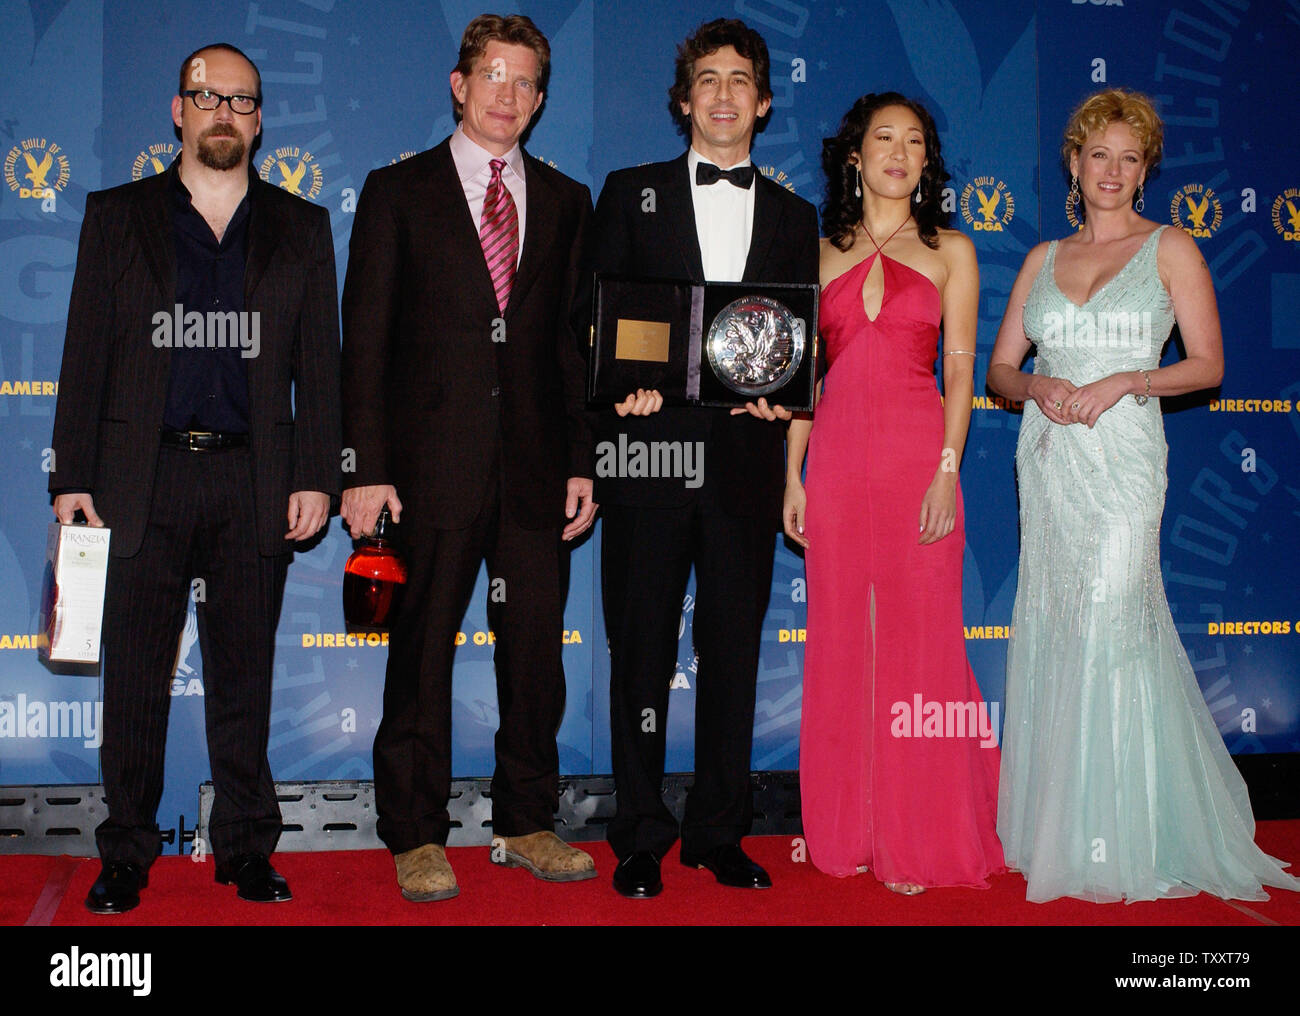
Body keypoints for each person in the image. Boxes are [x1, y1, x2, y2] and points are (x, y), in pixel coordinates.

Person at [50, 43, 341, 914]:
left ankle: (248, 848)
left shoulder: (303, 227)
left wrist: (319, 474)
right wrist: (71, 473)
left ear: (259, 120)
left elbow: (319, 371)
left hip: (255, 479)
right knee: (133, 680)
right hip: (140, 480)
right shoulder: (116, 216)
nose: (224, 112)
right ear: (178, 110)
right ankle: (126, 854)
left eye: (242, 101)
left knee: (245, 678)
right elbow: (83, 352)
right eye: (207, 96)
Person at [988, 88, 1298, 902]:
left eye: (1130, 158)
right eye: (1099, 155)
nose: (1113, 172)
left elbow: (1208, 365)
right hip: (1050, 460)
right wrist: (1038, 382)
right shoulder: (1039, 259)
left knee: (1113, 624)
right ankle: (1062, 826)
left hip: (1125, 462)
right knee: (1057, 623)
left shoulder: (1173, 249)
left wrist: (1131, 378)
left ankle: (1126, 833)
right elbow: (999, 370)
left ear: (1146, 168)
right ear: (1075, 162)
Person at [340, 13, 597, 902]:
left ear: (540, 98)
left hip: (532, 468)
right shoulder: (396, 191)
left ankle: (526, 822)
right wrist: (364, 467)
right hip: (423, 469)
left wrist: (581, 459)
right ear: (459, 83)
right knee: (419, 655)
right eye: (493, 75)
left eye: (526, 81)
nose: (509, 95)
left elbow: (572, 345)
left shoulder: (567, 203)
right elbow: (363, 342)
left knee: (535, 658)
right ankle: (414, 833)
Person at [590, 18, 819, 898]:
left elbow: (799, 346)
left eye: (740, 81)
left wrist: (784, 394)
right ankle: (641, 832)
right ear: (684, 99)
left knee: (732, 651)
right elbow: (594, 321)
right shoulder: (630, 192)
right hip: (648, 456)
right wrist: (622, 395)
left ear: (762, 101)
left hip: (745, 460)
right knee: (640, 649)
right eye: (707, 80)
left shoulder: (798, 218)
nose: (723, 96)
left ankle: (718, 830)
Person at [783, 93, 1004, 893]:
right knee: (843, 643)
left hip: (920, 458)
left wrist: (948, 466)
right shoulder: (818, 252)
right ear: (854, 155)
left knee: (921, 645)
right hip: (837, 459)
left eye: (915, 141)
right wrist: (791, 474)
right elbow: (802, 375)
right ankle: (848, 829)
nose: (899, 152)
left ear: (926, 160)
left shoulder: (954, 249)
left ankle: (919, 832)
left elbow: (958, 368)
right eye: (884, 138)